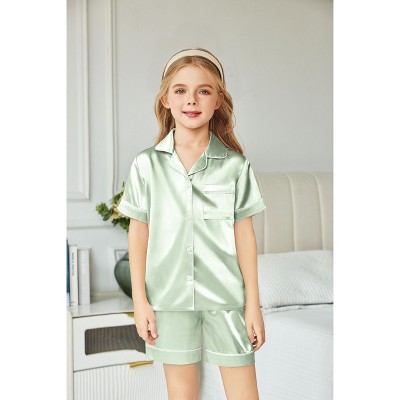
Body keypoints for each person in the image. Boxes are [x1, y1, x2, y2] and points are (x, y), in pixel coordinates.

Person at [117, 48, 267, 400]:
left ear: (218, 101)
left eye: (204, 90)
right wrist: (141, 302)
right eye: (181, 90)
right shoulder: (146, 165)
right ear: (166, 99)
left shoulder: (235, 166)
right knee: (181, 394)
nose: (191, 100)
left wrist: (253, 305)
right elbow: (139, 234)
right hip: (168, 299)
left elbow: (244, 235)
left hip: (227, 299)